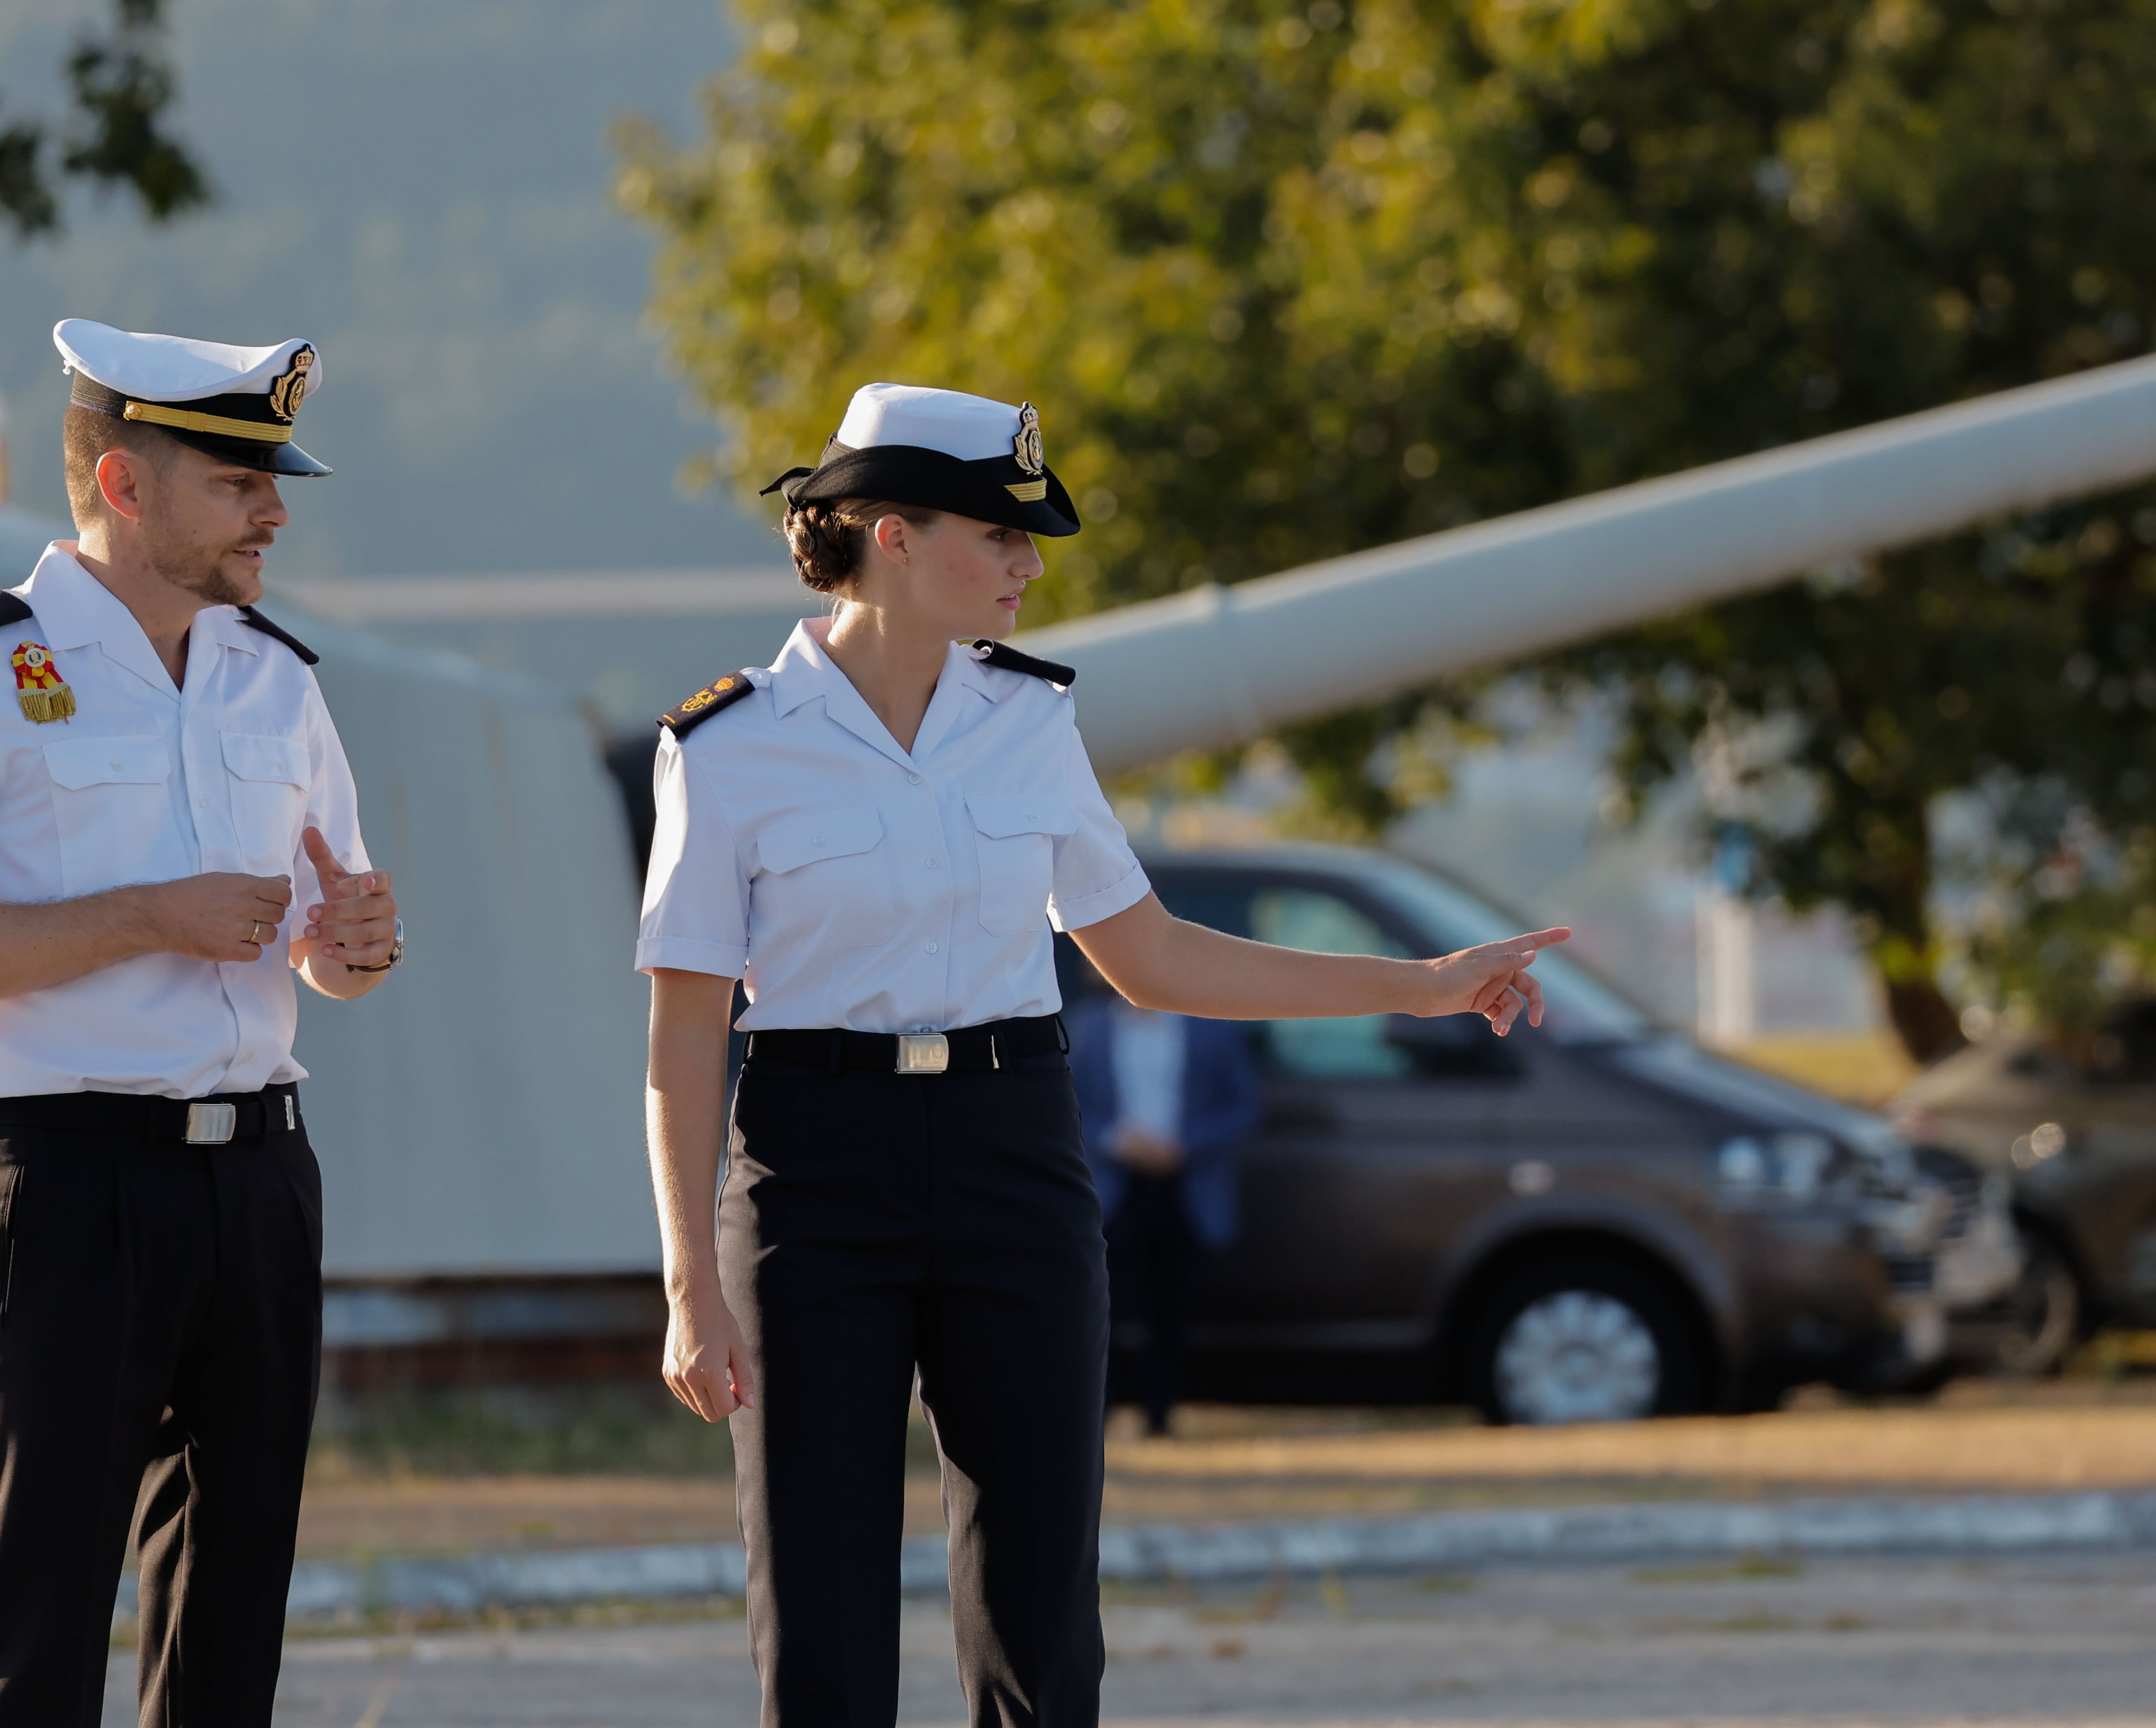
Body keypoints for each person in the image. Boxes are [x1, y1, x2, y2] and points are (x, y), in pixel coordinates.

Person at [637, 381, 1569, 1728]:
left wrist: (1418, 986)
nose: (1026, 566)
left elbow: (1152, 955)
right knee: (822, 1608)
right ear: (890, 534)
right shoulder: (728, 747)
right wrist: (686, 1286)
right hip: (809, 1171)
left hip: (1015, 1146)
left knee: (1040, 1613)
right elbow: (681, 1033)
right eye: (999, 535)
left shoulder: (1029, 719)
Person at [0, 320, 404, 1728]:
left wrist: (353, 949)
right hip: (71, 1179)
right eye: (237, 482)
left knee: (228, 1635)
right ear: (124, 482)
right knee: (39, 1624)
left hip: (261, 1178)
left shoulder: (277, 676)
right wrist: (148, 915)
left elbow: (318, 941)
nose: (273, 509)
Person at [1068, 990, 1259, 1436]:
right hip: (1114, 1186)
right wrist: (1118, 1139)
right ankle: (1101, 1412)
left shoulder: (1211, 1025)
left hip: (1185, 1186)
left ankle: (1160, 1414)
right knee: (1101, 1304)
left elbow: (1243, 1105)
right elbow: (1068, 1103)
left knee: (1171, 1305)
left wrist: (1185, 1145)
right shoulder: (1089, 1027)